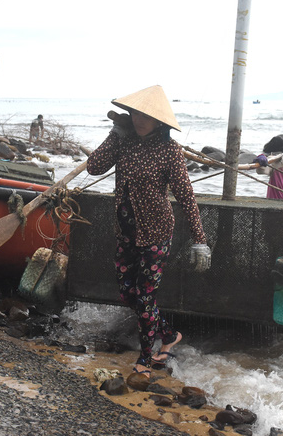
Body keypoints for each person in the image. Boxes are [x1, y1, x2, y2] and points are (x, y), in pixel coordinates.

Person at [87, 85, 212, 378]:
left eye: (147, 116)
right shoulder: (123, 142)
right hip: (126, 232)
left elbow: (185, 194)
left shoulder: (169, 150)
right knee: (127, 294)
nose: (140, 120)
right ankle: (169, 334)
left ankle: (146, 357)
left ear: (159, 121)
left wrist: (200, 239)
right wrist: (114, 134)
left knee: (144, 297)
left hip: (156, 233)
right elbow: (94, 168)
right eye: (136, 114)